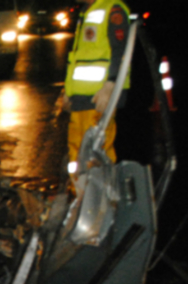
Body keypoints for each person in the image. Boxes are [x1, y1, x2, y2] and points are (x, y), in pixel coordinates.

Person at [62, 0, 131, 174]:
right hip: (81, 97)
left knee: (97, 155)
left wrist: (110, 85)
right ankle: (80, 196)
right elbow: (79, 58)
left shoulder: (112, 9)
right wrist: (68, 92)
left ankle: (103, 200)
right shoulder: (86, 11)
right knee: (77, 152)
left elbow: (121, 51)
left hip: (99, 96)